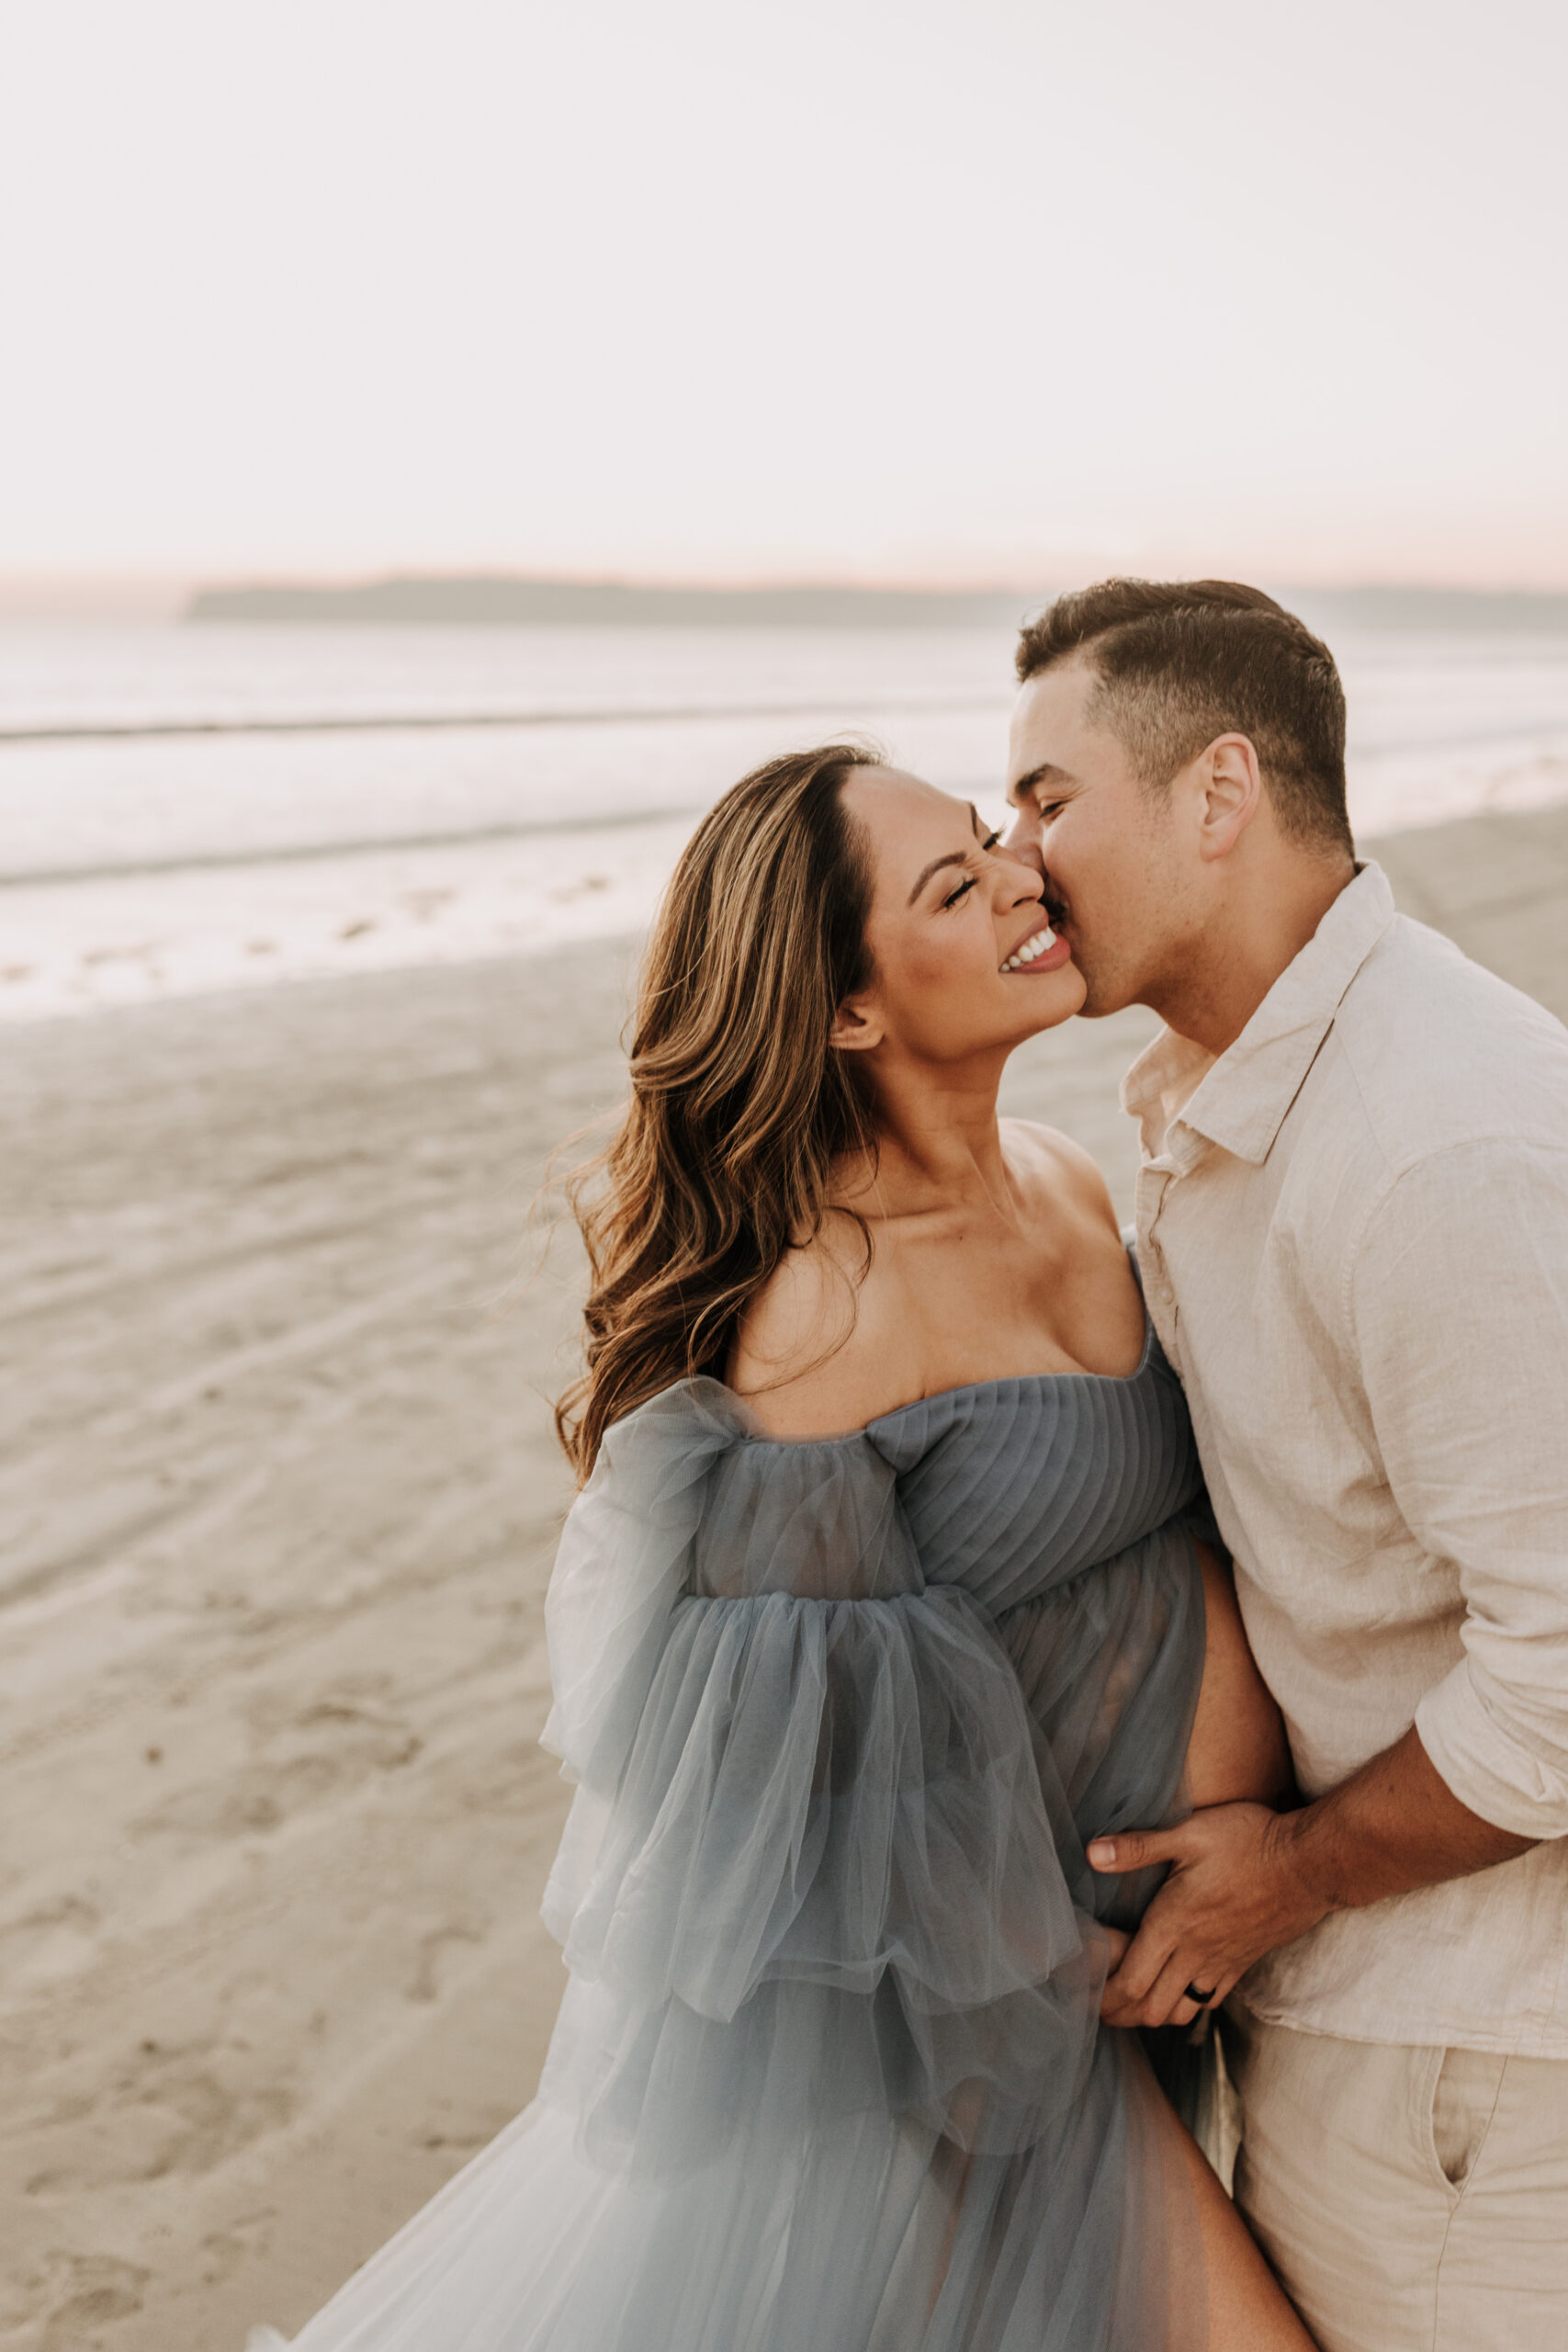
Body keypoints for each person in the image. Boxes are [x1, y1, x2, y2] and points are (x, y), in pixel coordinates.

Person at [249, 743, 1314, 2350]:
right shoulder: (825, 1310)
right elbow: (790, 1811)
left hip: (1145, 1988)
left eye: (987, 842)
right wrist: (1058, 1972)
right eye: (953, 887)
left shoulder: (1070, 1180)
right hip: (980, 2065)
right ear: (847, 1012)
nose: (1024, 877)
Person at [1001, 577, 1568, 2352]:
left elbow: (1566, 1678)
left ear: (1219, 794)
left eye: (1048, 798)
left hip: (1468, 2054)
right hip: (1377, 2016)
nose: (1019, 858)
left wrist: (1296, 1874)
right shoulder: (1212, 1084)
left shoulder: (1434, 1144)